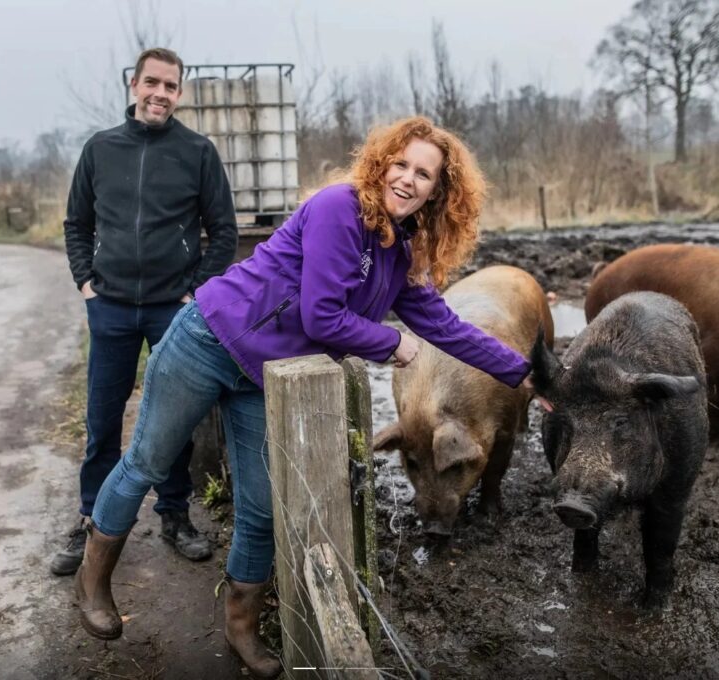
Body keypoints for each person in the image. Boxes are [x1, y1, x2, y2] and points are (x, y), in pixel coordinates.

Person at [72, 116, 534, 678]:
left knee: (263, 506)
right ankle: (93, 581)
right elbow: (322, 314)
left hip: (268, 375)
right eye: (402, 164)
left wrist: (525, 375)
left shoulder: (403, 251)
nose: (409, 180)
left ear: (439, 191)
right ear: (382, 163)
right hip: (209, 339)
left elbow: (446, 325)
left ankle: (241, 628)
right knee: (146, 459)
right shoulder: (340, 207)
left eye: (425, 174)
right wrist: (394, 344)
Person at [54, 47, 237, 576]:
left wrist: (194, 293)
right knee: (102, 420)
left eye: (171, 86)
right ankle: (91, 518)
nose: (160, 93)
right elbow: (76, 224)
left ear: (180, 93)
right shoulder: (101, 149)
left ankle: (175, 516)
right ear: (134, 84)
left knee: (174, 417)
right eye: (151, 82)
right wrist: (86, 283)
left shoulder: (197, 152)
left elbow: (222, 232)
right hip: (108, 308)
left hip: (172, 311)